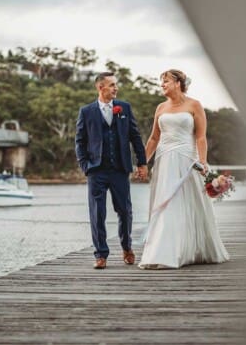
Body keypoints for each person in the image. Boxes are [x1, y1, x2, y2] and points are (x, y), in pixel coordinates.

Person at [139, 69, 229, 269]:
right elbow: (154, 138)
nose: (162, 85)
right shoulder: (160, 107)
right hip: (164, 161)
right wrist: (143, 162)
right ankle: (161, 252)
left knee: (188, 203)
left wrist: (203, 162)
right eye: (161, 82)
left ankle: (190, 249)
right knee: (165, 203)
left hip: (187, 160)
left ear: (178, 83)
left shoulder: (194, 105)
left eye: (166, 81)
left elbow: (200, 136)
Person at [75, 72, 148, 269]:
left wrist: (142, 162)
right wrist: (85, 166)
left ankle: (127, 247)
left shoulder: (124, 107)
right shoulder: (86, 111)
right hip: (96, 171)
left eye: (116, 85)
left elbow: (135, 136)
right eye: (112, 85)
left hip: (120, 170)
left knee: (124, 211)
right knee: (97, 213)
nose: (116, 88)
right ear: (101, 87)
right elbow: (80, 142)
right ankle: (101, 254)